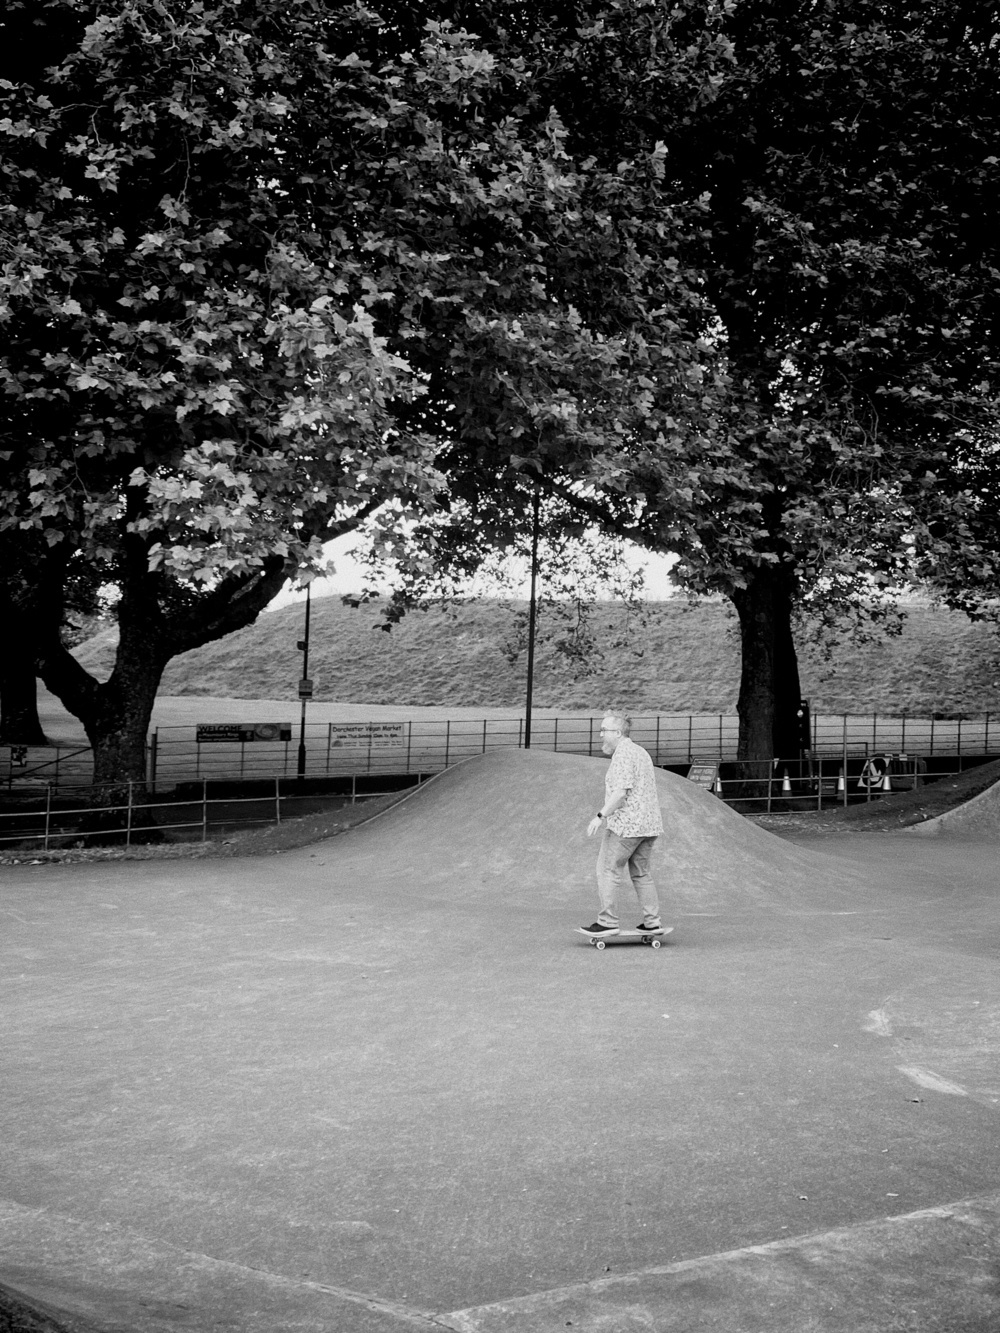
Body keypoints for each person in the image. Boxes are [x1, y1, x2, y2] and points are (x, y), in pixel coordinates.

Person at [580, 711, 665, 938]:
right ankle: (652, 922)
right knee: (641, 873)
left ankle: (607, 922)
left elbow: (621, 793)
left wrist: (600, 816)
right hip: (649, 825)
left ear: (617, 733)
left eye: (604, 731)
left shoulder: (623, 754)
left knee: (607, 869)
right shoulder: (641, 752)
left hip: (626, 826)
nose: (600, 735)